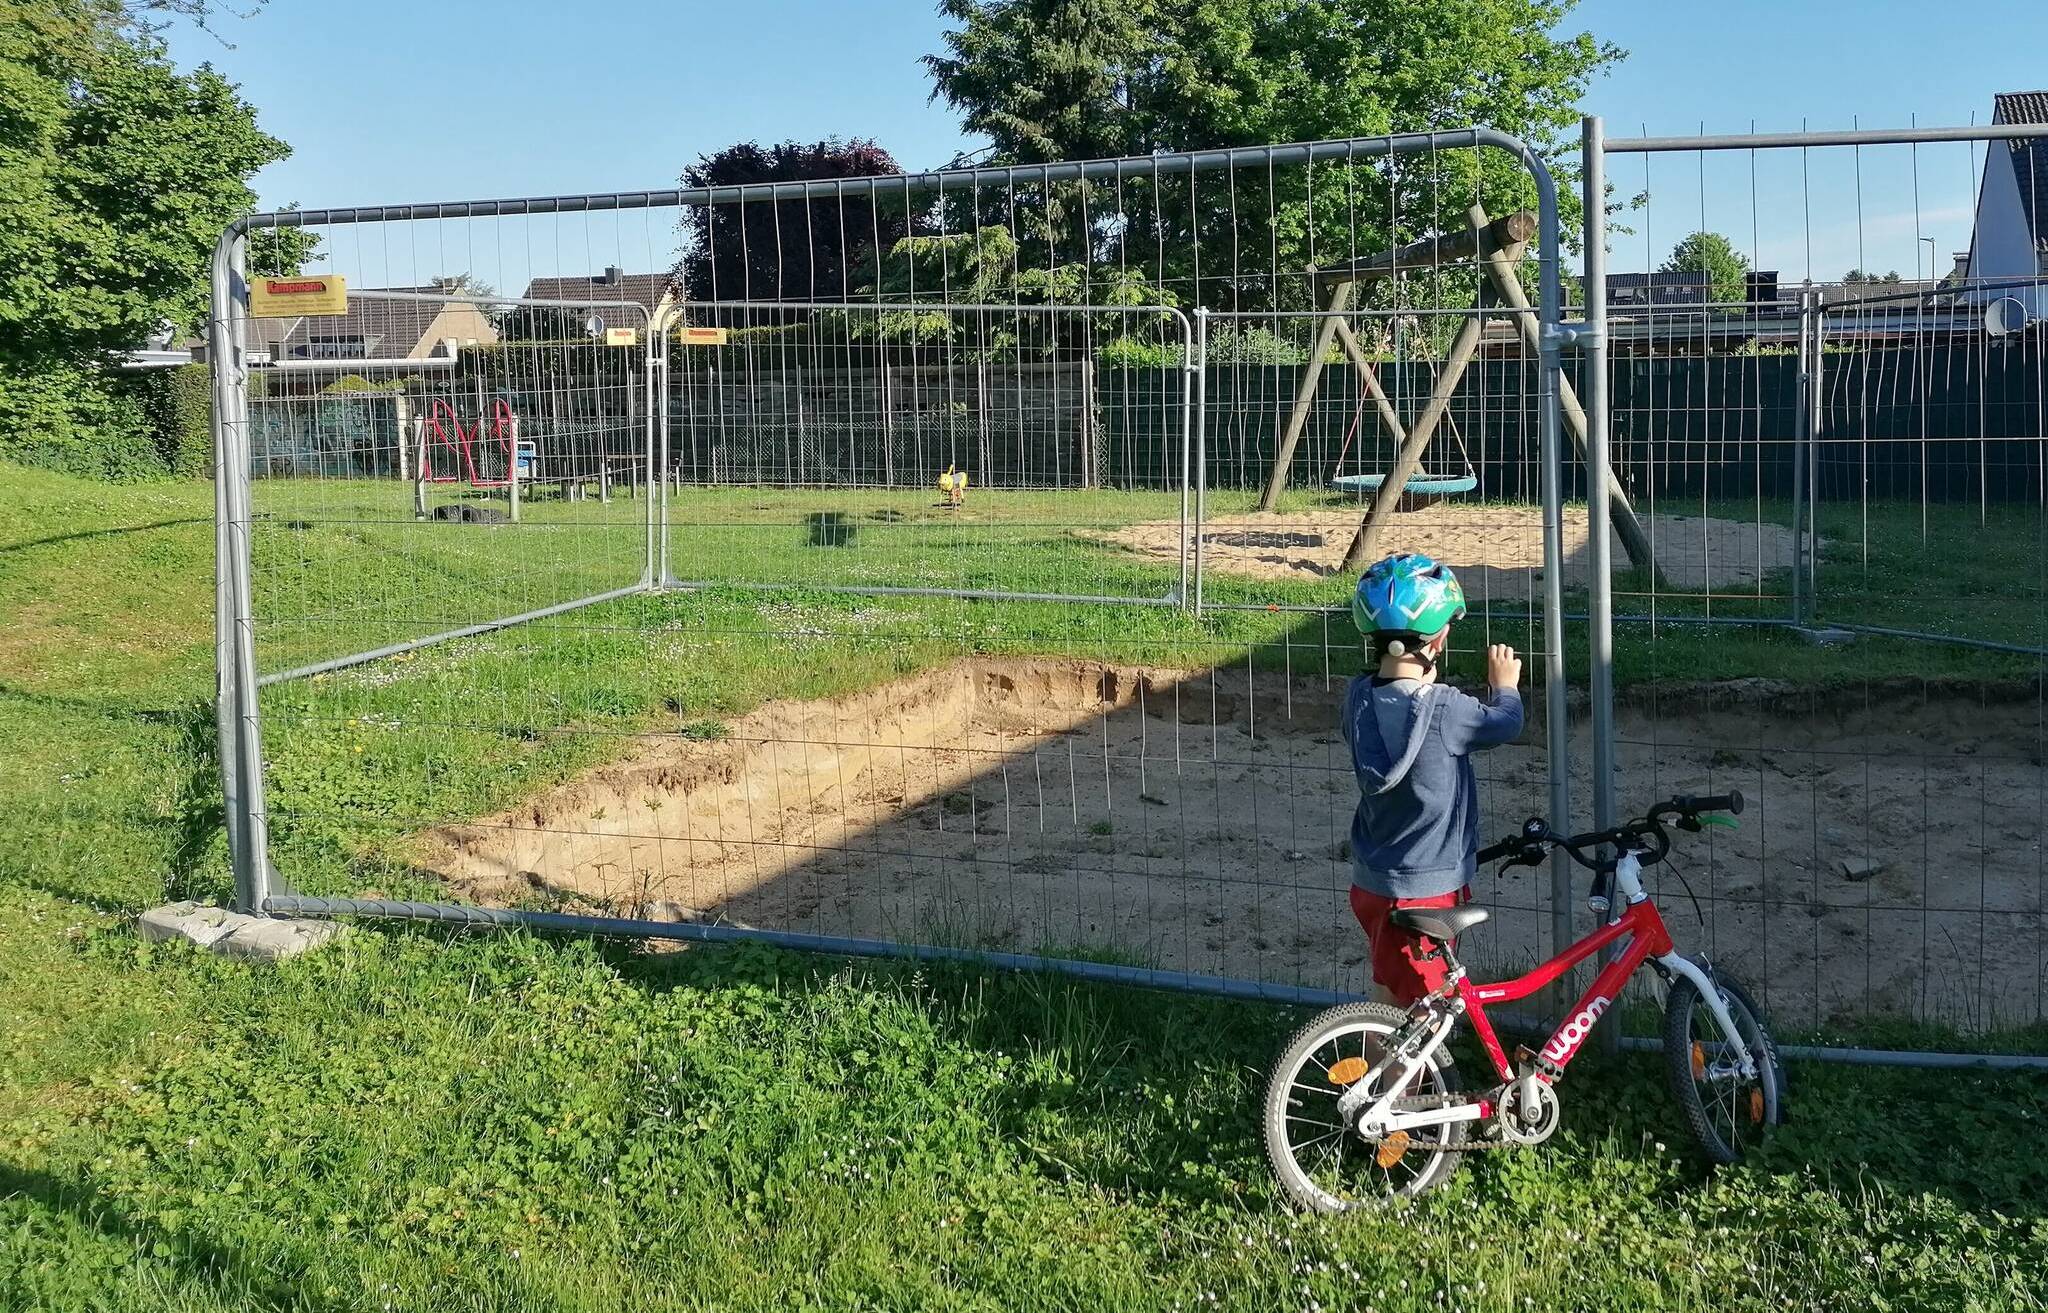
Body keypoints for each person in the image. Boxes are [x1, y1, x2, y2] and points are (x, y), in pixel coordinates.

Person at [1341, 552, 1524, 1008]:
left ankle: (1383, 1078)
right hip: (1428, 890)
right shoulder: (1445, 709)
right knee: (1422, 1010)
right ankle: (1404, 1082)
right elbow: (1507, 723)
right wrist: (1506, 686)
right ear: (1437, 640)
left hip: (1372, 882)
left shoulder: (1356, 699)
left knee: (1388, 993)